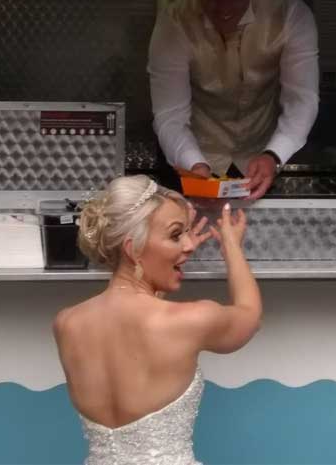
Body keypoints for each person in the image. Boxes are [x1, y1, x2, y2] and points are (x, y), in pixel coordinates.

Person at [53, 175, 262, 465]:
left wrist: (168, 259)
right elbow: (249, 314)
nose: (189, 244)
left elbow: (135, 322)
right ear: (133, 249)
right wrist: (231, 248)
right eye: (176, 235)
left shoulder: (67, 324)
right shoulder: (190, 320)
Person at [148, 0, 319, 199]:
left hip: (261, 158)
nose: (224, 7)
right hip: (191, 155)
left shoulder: (291, 15)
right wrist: (194, 163)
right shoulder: (174, 23)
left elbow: (302, 100)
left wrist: (274, 155)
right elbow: (170, 114)